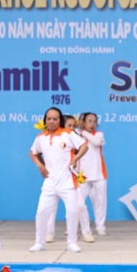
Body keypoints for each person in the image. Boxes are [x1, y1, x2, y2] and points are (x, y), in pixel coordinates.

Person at [29, 107, 88, 253]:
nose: (52, 121)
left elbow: (84, 146)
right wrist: (40, 165)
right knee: (42, 212)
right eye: (49, 118)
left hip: (67, 181)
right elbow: (32, 152)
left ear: (59, 120)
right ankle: (40, 242)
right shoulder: (40, 138)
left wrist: (75, 158)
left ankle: (72, 243)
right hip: (49, 182)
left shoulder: (68, 134)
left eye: (55, 118)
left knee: (72, 212)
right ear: (45, 120)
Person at [75, 112, 108, 239]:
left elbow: (96, 142)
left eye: (94, 121)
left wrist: (82, 131)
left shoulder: (98, 134)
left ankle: (100, 227)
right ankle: (76, 226)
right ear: (82, 122)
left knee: (100, 202)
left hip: (99, 174)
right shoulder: (75, 135)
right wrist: (78, 131)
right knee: (78, 202)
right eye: (89, 121)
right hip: (82, 175)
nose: (92, 124)